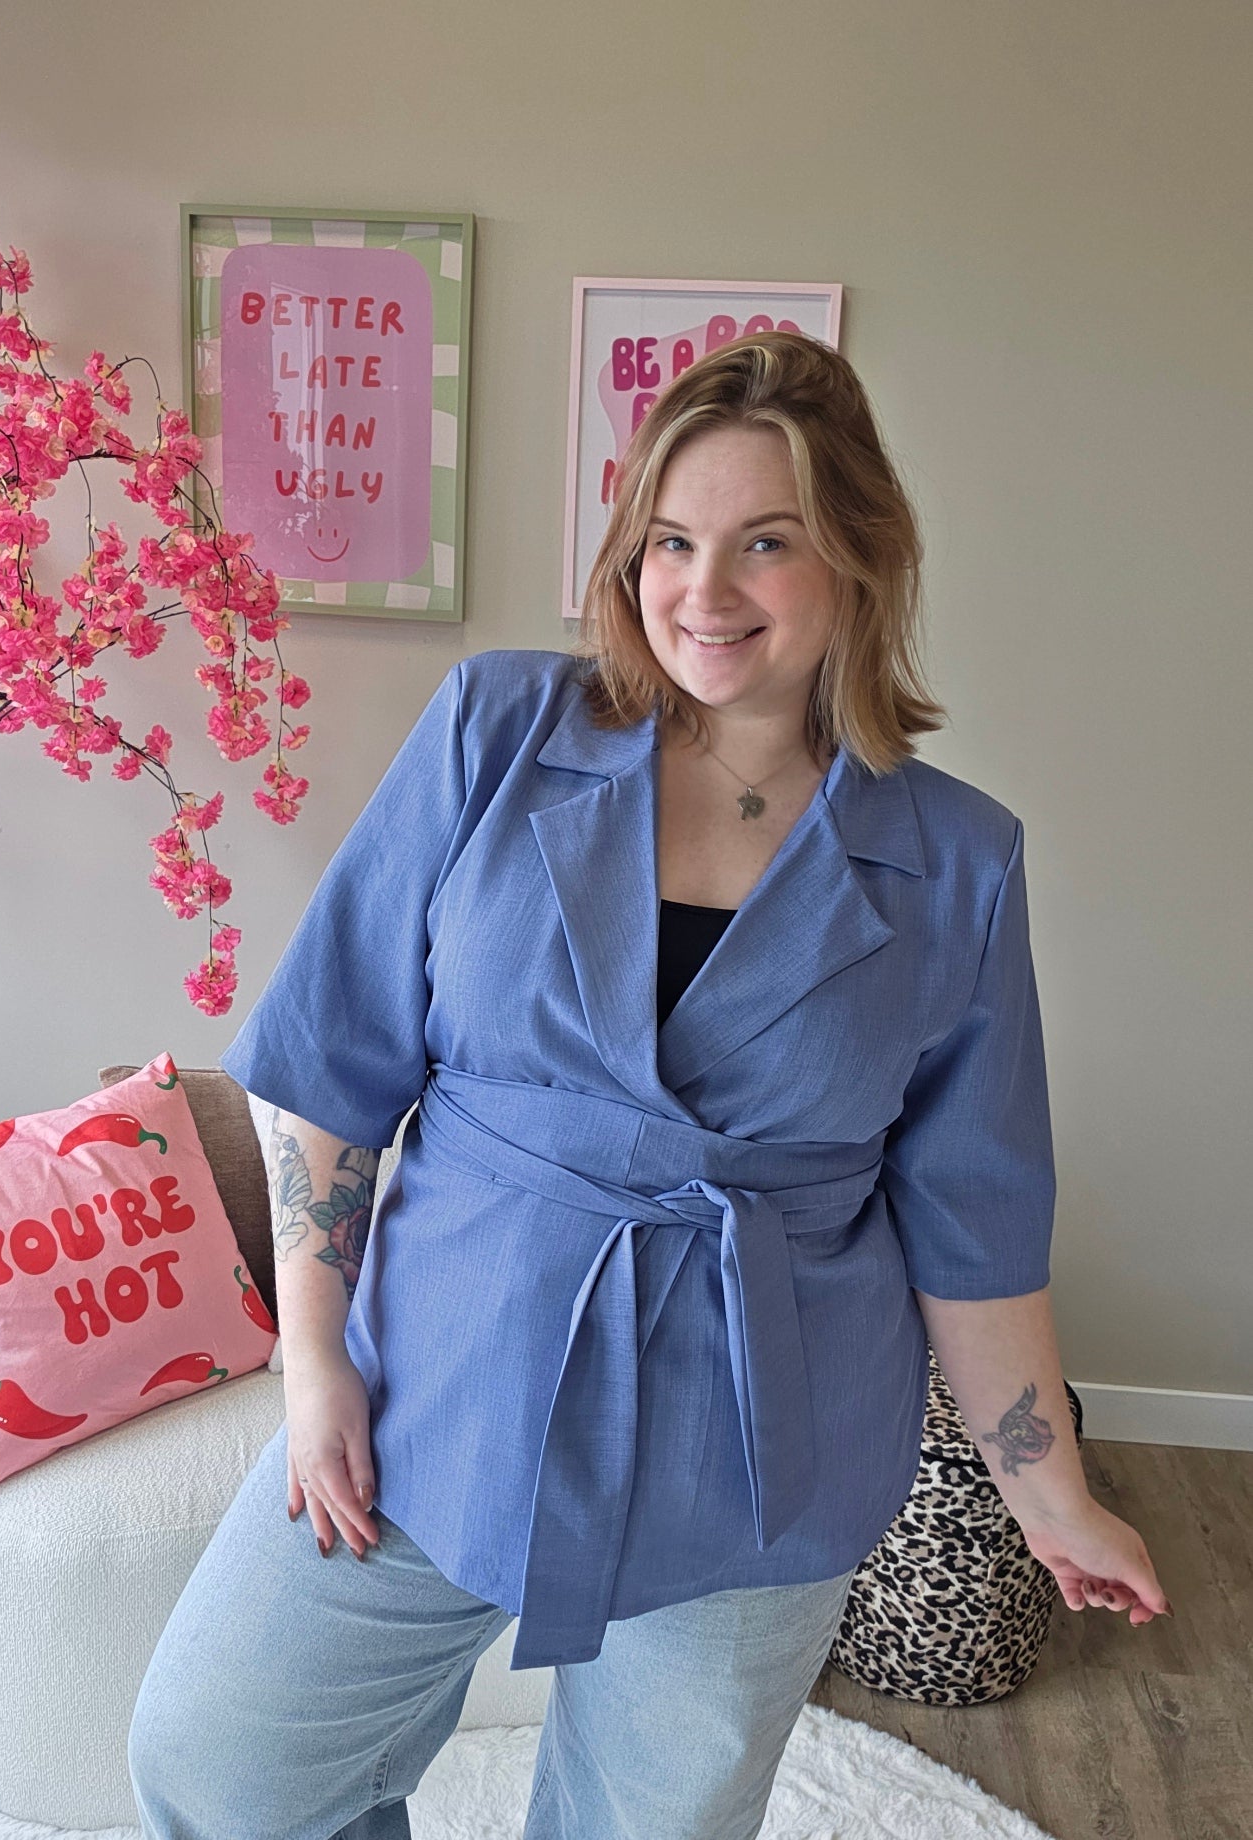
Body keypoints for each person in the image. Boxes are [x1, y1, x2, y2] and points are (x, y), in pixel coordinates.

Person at [127, 330, 1172, 1840]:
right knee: (221, 1758)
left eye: (767, 542)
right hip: (442, 1381)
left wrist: (1050, 1494)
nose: (706, 589)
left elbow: (975, 1221)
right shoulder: (497, 731)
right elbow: (335, 1067)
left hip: (758, 1449)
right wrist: (314, 1359)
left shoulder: (959, 861)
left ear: (861, 558)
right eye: (672, 541)